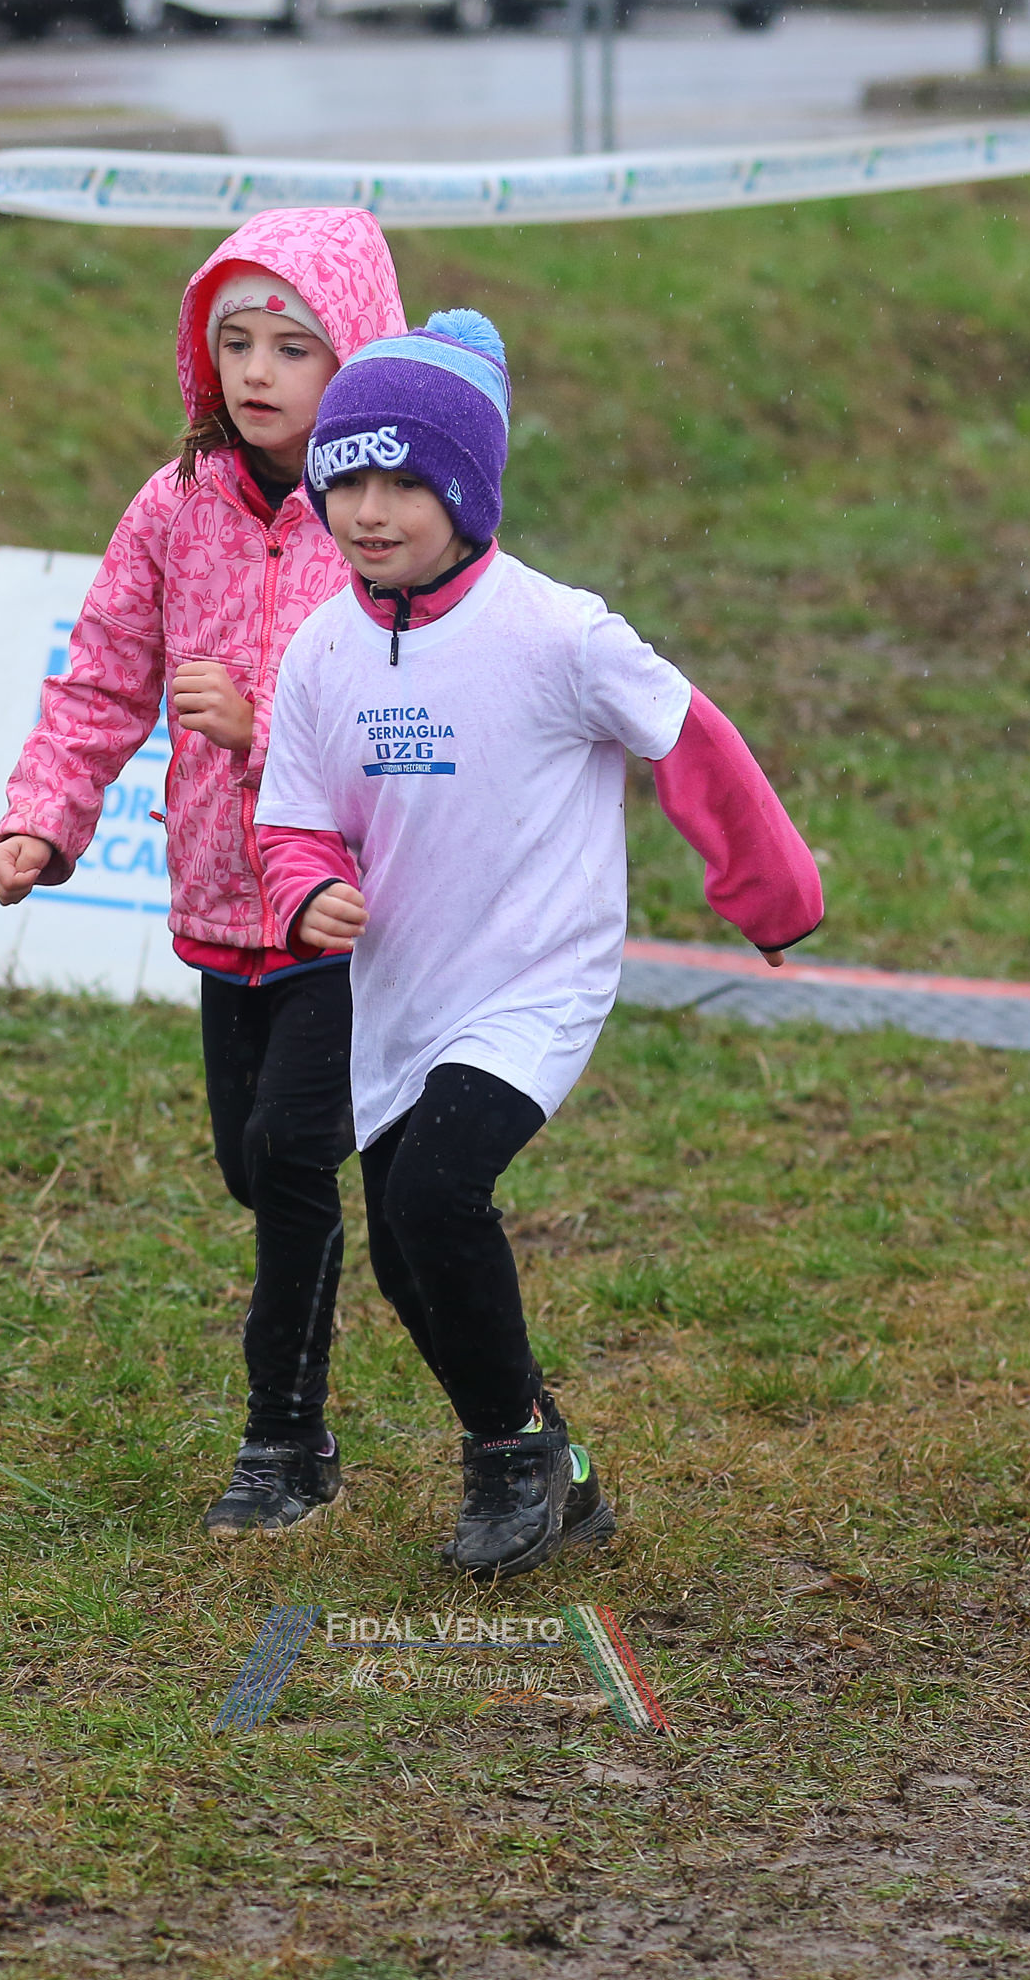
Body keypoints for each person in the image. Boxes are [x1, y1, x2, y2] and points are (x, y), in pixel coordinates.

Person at [255, 310, 824, 1581]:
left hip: (534, 980)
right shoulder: (320, 648)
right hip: (403, 989)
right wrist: (308, 890)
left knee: (434, 1194)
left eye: (406, 483)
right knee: (404, 1254)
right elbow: (292, 818)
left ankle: (509, 1459)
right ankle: (547, 1452)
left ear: (468, 490)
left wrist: (771, 897)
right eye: (346, 480)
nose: (370, 511)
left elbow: (695, 744)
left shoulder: (559, 632)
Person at [0, 209, 406, 1540]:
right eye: (236, 341)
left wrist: (261, 723)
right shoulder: (173, 507)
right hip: (220, 903)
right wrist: (43, 819)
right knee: (252, 1163)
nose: (259, 370)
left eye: (295, 344)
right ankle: (380, 1199)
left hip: (348, 908)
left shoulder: (389, 517)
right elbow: (103, 675)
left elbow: (418, 710)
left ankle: (286, 1442)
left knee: (290, 1156)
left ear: (359, 357)